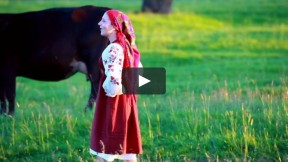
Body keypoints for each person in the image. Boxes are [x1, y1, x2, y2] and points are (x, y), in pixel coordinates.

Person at [89, 9, 142, 162]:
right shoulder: (127, 47)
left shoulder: (113, 49)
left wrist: (109, 84)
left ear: (114, 26)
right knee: (128, 152)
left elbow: (112, 87)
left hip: (113, 106)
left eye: (104, 21)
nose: (99, 23)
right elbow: (138, 75)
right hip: (127, 104)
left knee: (105, 150)